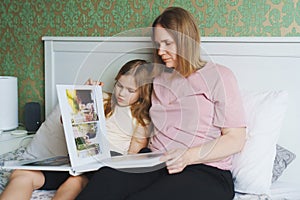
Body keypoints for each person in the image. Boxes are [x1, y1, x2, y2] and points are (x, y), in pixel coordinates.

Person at [75, 7, 247, 200]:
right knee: (105, 180)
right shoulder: (158, 79)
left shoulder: (219, 76)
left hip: (205, 170)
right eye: (157, 44)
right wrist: (89, 96)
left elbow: (236, 139)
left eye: (167, 43)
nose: (160, 51)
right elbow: (125, 99)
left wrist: (187, 156)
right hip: (155, 162)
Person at [0, 59, 154, 200]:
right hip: (74, 160)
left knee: (74, 182)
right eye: (119, 85)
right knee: (21, 174)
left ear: (142, 92)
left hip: (101, 168)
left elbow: (132, 160)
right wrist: (81, 96)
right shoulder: (102, 98)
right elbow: (64, 121)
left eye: (130, 90)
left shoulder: (141, 120)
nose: (121, 93)